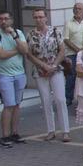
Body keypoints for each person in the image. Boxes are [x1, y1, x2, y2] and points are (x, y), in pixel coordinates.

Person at [23, 8, 67, 142]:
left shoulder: (55, 31)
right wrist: (43, 66)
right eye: (36, 17)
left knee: (60, 99)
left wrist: (53, 66)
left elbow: (62, 50)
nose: (38, 19)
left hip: (56, 69)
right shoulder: (30, 35)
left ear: (46, 18)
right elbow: (29, 54)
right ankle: (50, 130)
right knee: (46, 101)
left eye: (41, 17)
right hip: (40, 71)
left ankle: (65, 130)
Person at [0, 10, 29, 145]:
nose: (3, 21)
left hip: (19, 73)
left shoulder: (19, 33)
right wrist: (17, 50)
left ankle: (15, 133)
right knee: (8, 104)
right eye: (1, 19)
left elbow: (25, 50)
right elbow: (1, 54)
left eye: (6, 19)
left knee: (17, 105)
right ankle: (5, 135)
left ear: (11, 20)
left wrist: (14, 36)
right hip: (5, 75)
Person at [61, 1, 83, 113]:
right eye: (75, 8)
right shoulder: (68, 23)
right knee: (71, 76)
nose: (77, 10)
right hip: (73, 53)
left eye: (79, 9)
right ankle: (68, 98)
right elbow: (66, 39)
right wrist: (78, 50)